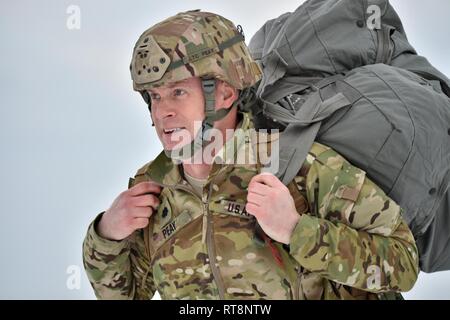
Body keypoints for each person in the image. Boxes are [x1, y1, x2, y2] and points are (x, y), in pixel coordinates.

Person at [82, 10, 418, 300]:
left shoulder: (298, 165)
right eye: (154, 97)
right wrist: (107, 234)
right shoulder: (153, 190)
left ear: (225, 93)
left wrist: (297, 231)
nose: (163, 112)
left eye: (178, 92)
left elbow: (403, 264)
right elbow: (125, 293)